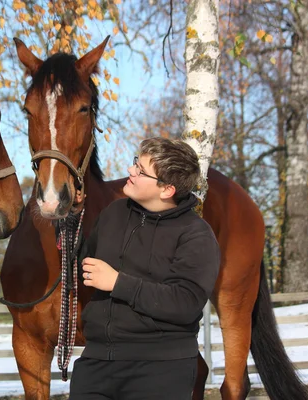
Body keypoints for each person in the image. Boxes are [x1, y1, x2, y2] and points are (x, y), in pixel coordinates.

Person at [69, 137, 221, 400]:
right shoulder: (113, 213)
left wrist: (119, 283)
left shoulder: (196, 235)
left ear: (167, 190)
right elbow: (83, 266)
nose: (130, 171)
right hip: (96, 363)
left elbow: (186, 302)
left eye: (140, 170)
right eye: (134, 164)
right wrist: (72, 217)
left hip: (160, 370)